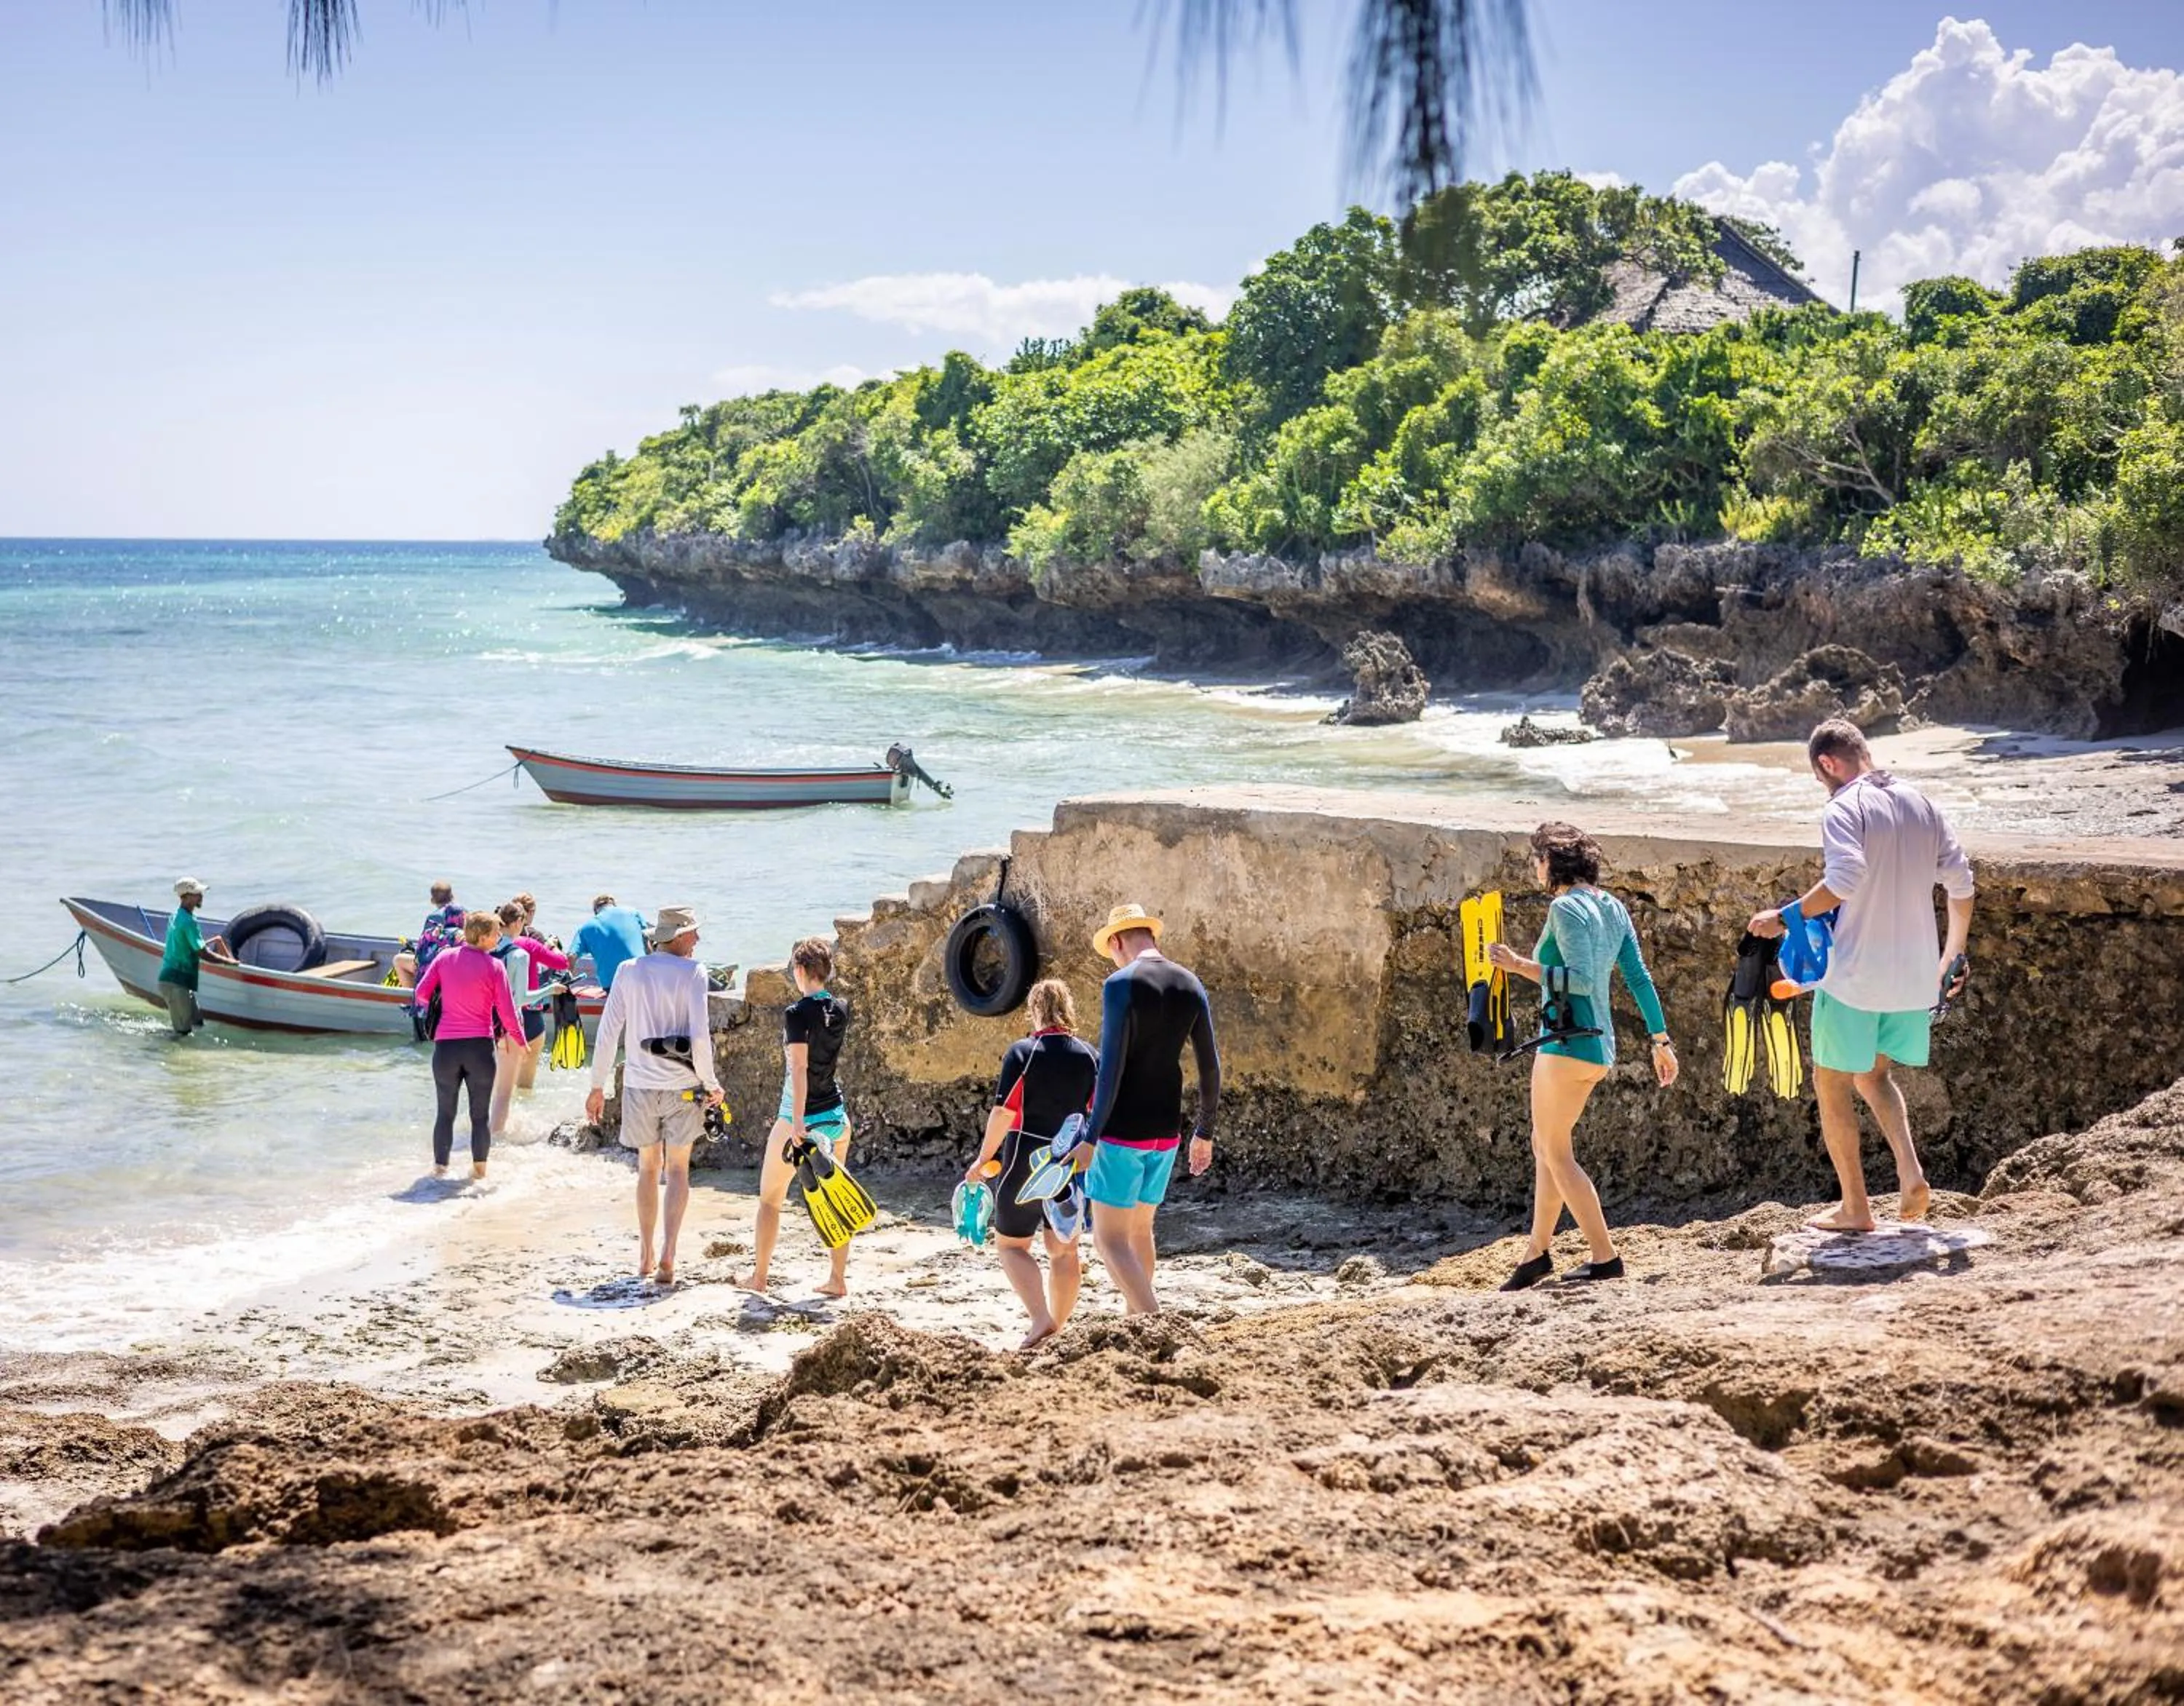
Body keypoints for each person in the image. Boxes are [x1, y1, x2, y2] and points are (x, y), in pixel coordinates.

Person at [1747, 719, 1974, 1233]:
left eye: (1819, 776)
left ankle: (1855, 1208)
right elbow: (1962, 884)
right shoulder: (1923, 803)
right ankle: (1911, 1174)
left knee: (1830, 1083)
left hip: (1854, 975)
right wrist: (1951, 957)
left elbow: (1843, 880)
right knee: (1873, 1074)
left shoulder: (1844, 807)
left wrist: (1783, 916)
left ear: (1828, 763)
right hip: (1914, 977)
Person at [1487, 823, 1678, 1291]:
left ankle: (1604, 1256)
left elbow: (1580, 982)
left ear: (1552, 862)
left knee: (1555, 1151)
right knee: (1547, 1146)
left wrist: (1518, 966)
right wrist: (1660, 1040)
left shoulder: (1565, 907)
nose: (1535, 867)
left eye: (1537, 858)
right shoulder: (1612, 908)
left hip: (1566, 1044)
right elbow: (1639, 978)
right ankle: (1537, 1252)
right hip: (1598, 1047)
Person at [1062, 904, 1220, 1317]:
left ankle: (1152, 1318)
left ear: (1116, 941)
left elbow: (1110, 1066)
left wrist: (1090, 1137)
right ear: (1150, 935)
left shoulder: (1120, 984)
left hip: (1120, 1130)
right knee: (1140, 1232)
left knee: (1108, 1239)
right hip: (1167, 1130)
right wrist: (1204, 1131)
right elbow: (1210, 1066)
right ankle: (1136, 1321)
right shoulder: (1191, 983)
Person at [585, 905, 721, 1285]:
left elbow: (609, 1031)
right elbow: (699, 1035)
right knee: (678, 1170)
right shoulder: (694, 972)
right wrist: (711, 1084)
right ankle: (669, 1255)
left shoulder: (629, 971)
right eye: (693, 932)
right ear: (676, 936)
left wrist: (597, 1085)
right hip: (682, 1087)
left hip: (639, 1085)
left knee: (647, 1169)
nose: (697, 940)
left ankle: (645, 1255)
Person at [965, 978, 1099, 1349]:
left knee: (1011, 1246)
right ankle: (1057, 1325)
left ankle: (1041, 1318)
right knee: (1064, 1250)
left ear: (1034, 1010)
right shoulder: (1090, 1055)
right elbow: (1098, 1113)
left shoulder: (1023, 1051)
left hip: (1026, 1158)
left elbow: (1004, 1112)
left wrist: (984, 1157)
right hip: (1069, 1162)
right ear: (1068, 1009)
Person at [736, 937, 854, 1298]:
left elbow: (800, 1068)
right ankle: (837, 1279)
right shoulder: (842, 1007)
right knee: (835, 1199)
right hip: (837, 1118)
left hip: (797, 1119)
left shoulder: (795, 1013)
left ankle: (759, 1278)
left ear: (800, 971)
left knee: (770, 1200)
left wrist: (799, 1122)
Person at [411, 910, 526, 1181]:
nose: (500, 937)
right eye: (496, 933)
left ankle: (439, 1172)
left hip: (446, 1049)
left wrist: (446, 1004)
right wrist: (520, 1040)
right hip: (480, 1050)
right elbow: (507, 1012)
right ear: (484, 937)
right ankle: (479, 1174)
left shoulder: (444, 958)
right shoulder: (494, 966)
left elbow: (421, 994)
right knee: (479, 1115)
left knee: (445, 1113)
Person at [156, 878, 233, 1037]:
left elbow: (187, 943)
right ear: (185, 896)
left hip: (178, 981)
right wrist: (229, 962)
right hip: (176, 983)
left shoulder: (176, 915)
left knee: (197, 1024)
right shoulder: (188, 922)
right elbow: (203, 953)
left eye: (200, 893)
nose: (201, 896)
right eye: (197, 893)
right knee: (183, 1033)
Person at [571, 894, 649, 991]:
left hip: (612, 982)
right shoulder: (633, 912)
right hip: (641, 974)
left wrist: (568, 981)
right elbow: (648, 938)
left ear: (596, 911)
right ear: (613, 905)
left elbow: (571, 956)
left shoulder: (587, 927)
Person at [392, 881, 462, 988]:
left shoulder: (433, 918)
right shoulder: (465, 913)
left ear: (432, 900)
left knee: (398, 960)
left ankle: (410, 998)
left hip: (438, 967)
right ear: (452, 896)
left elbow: (424, 949)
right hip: (459, 965)